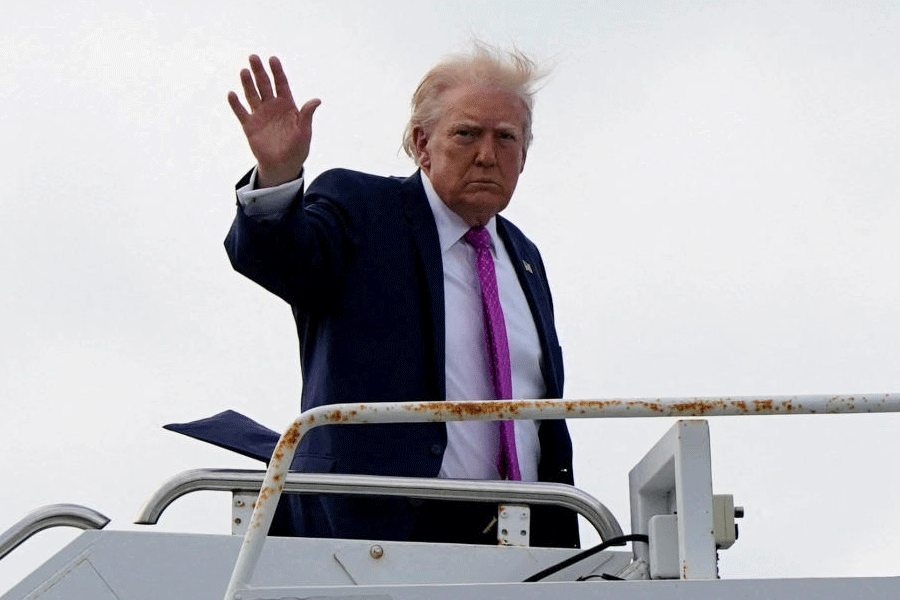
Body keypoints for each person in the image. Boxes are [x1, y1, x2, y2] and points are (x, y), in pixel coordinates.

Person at [220, 46, 577, 548]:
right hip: (379, 531)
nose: (487, 155)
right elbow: (279, 258)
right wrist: (278, 175)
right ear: (422, 143)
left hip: (522, 537)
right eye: (467, 133)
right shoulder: (364, 209)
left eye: (506, 138)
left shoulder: (524, 257)